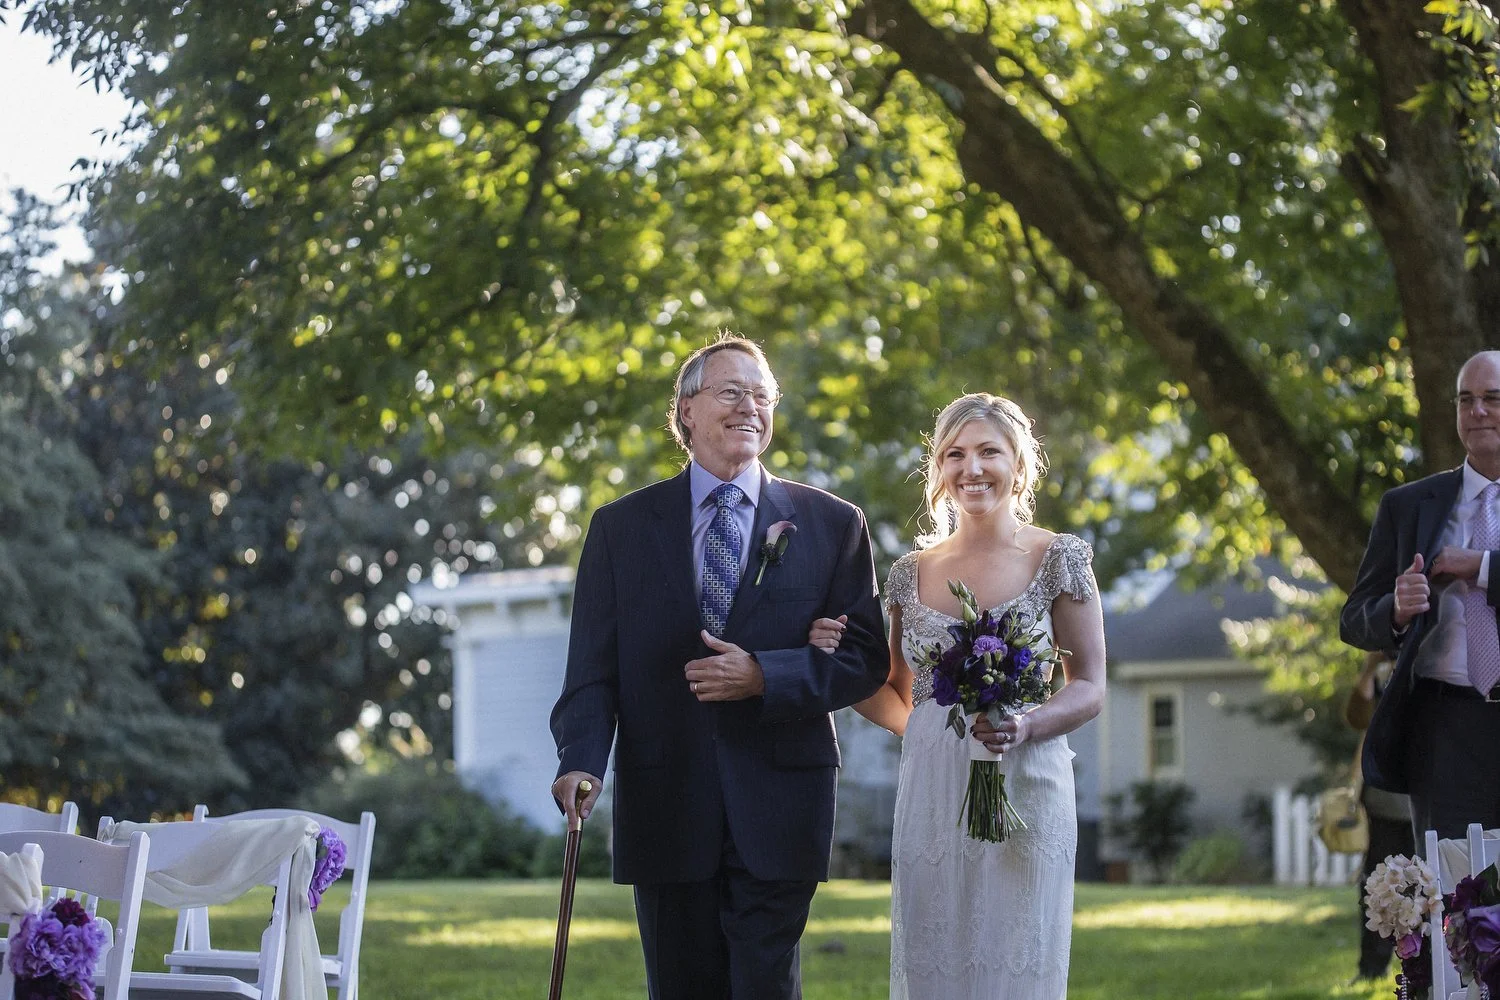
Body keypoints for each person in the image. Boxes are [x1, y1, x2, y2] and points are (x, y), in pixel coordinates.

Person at [549, 335, 888, 1000]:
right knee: (680, 986)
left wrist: (766, 674)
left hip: (782, 801)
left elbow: (864, 659)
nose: (751, 408)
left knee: (765, 984)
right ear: (686, 411)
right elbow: (591, 667)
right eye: (732, 392)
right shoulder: (620, 528)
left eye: (763, 396)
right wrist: (580, 759)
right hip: (666, 799)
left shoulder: (832, 525)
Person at [810, 392, 1105, 1000]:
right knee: (936, 962)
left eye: (988, 452)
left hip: (1028, 779)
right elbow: (898, 698)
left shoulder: (1060, 558)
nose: (972, 468)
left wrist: (1024, 726)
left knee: (1016, 959)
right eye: (955, 455)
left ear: (1019, 464)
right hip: (933, 791)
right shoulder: (908, 573)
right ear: (939, 472)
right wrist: (835, 664)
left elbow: (1090, 686)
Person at [1341, 350, 1500, 839]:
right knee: (1456, 898)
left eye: (1493, 399)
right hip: (1444, 728)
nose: (1477, 412)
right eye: (1466, 400)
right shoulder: (1408, 507)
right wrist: (1396, 608)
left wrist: (1484, 567)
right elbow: (1354, 618)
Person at [1344, 650, 1414, 983]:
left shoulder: (1431, 660)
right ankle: (1371, 968)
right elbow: (1357, 717)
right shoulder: (1381, 672)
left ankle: (1421, 968)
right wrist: (1371, 667)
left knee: (1423, 890)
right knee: (1376, 888)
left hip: (1422, 798)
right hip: (1384, 803)